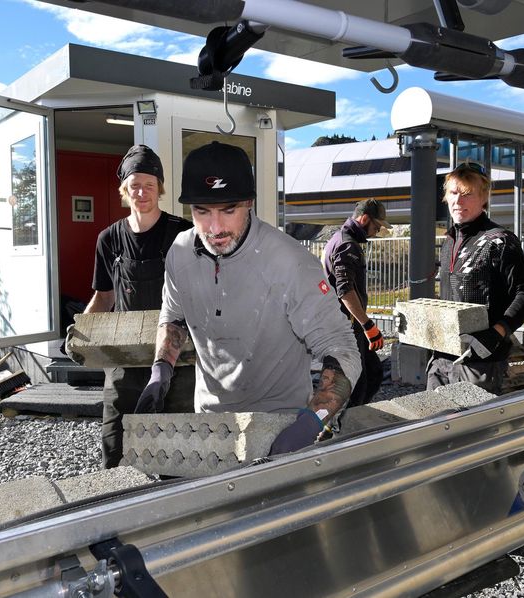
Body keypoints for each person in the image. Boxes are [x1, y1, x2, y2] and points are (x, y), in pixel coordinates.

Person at [135, 141, 361, 456]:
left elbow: (342, 349)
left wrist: (311, 423)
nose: (215, 228)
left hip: (278, 423)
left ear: (249, 203)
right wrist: (160, 372)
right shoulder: (180, 252)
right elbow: (173, 317)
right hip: (210, 423)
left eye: (229, 210)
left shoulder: (290, 264)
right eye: (202, 211)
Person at [82, 144, 195, 468]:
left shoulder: (183, 234)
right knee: (116, 442)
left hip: (178, 359)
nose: (142, 192)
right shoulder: (109, 239)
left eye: (149, 185)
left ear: (160, 188)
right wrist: (81, 332)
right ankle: (118, 496)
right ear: (124, 189)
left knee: (179, 445)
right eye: (135, 185)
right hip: (125, 360)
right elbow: (104, 297)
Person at [427, 162, 524, 395]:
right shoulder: (450, 241)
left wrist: (498, 331)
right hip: (442, 357)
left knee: (471, 419)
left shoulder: (499, 241)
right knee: (434, 417)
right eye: (453, 193)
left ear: (484, 198)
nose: (458, 201)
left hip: (480, 360)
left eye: (467, 194)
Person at [323, 198, 389, 409]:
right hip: (347, 327)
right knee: (355, 387)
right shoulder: (347, 245)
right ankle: (343, 424)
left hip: (348, 325)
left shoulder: (340, 239)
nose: (376, 232)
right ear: (365, 219)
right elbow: (345, 290)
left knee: (374, 373)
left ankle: (351, 419)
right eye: (376, 227)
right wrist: (368, 325)